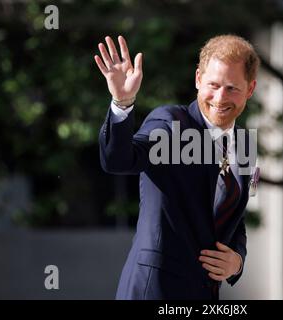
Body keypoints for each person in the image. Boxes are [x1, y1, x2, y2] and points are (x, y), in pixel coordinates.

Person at [94, 34, 259, 300]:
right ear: (197, 80)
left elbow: (235, 218)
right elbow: (118, 161)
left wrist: (237, 260)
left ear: (250, 89)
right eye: (213, 85)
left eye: (232, 88)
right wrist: (122, 104)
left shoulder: (246, 145)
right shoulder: (171, 124)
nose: (220, 97)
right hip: (155, 290)